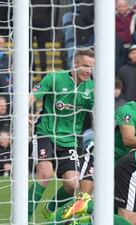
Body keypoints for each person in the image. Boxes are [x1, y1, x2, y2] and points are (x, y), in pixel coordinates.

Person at [28, 49, 95, 220]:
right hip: (46, 133)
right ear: (75, 64)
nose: (89, 71)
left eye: (92, 67)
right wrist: (24, 111)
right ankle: (23, 217)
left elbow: (99, 112)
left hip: (70, 141)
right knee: (45, 172)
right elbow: (32, 96)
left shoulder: (92, 88)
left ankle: (50, 208)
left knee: (73, 185)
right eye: (86, 66)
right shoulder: (55, 78)